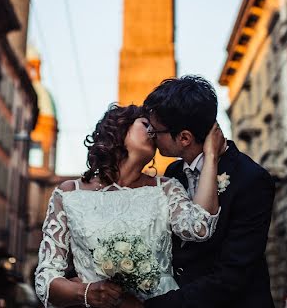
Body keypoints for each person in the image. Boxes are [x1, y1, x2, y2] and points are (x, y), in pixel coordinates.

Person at [35, 102, 224, 307]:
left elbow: (200, 227)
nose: (153, 131)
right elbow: (46, 279)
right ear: (118, 129)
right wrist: (85, 292)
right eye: (145, 124)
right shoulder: (69, 193)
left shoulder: (167, 188)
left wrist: (210, 157)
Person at [121, 75, 276, 308]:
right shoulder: (173, 173)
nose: (151, 134)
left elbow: (231, 276)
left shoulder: (251, 180)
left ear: (184, 138)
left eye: (156, 131)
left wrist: (152, 306)